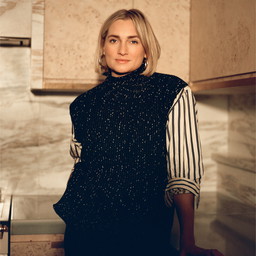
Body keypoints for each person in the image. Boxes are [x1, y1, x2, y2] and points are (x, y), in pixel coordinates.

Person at [53, 9, 224, 256]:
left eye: (133, 41)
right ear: (103, 47)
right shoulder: (83, 104)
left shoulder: (172, 91)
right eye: (114, 40)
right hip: (83, 234)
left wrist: (188, 241)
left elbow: (182, 174)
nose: (123, 49)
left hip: (143, 232)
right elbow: (80, 165)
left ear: (146, 49)